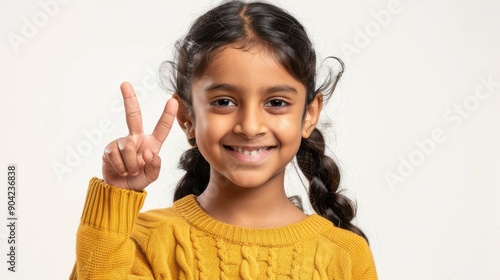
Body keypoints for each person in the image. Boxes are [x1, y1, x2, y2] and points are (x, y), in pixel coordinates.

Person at [70, 1, 378, 279]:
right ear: (187, 117)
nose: (250, 126)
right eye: (224, 102)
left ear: (309, 115)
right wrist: (115, 197)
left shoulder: (345, 255)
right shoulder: (145, 241)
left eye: (277, 102)